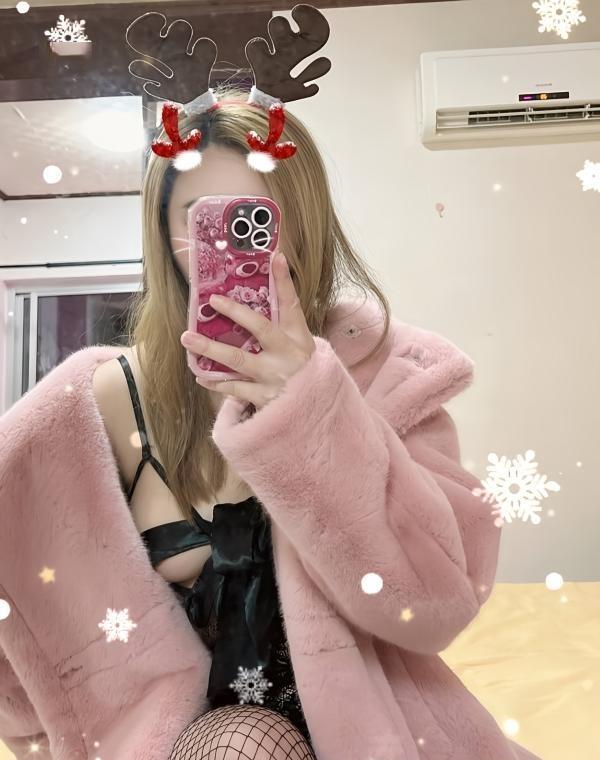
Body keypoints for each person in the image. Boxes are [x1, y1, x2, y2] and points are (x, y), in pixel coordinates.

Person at [91, 84, 392, 760]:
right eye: (204, 220)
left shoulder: (376, 373)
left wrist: (311, 407)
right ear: (164, 233)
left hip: (356, 727)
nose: (230, 247)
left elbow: (418, 592)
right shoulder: (118, 394)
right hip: (186, 737)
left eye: (255, 219)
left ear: (303, 225)